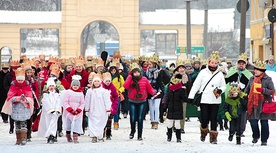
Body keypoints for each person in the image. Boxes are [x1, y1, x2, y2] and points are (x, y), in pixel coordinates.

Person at [188, 51, 226, 144]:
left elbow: (224, 86)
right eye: (212, 62)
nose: (214, 64)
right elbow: (196, 85)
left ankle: (213, 137)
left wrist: (221, 90)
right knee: (204, 118)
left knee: (214, 118)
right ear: (209, 63)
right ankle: (204, 132)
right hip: (204, 99)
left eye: (216, 63)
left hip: (215, 99)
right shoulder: (202, 72)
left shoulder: (220, 74)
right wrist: (191, 96)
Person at [244, 60, 276, 146]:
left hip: (264, 104)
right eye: (255, 69)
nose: (255, 71)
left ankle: (264, 140)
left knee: (264, 123)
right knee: (253, 122)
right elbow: (247, 89)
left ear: (262, 71)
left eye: (257, 70)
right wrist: (244, 94)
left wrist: (263, 90)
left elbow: (272, 91)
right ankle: (255, 136)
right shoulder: (251, 79)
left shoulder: (268, 79)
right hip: (253, 104)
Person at [123, 63, 157, 140]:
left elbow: (149, 88)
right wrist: (129, 77)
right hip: (132, 101)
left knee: (140, 118)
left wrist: (154, 93)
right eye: (135, 72)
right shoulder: (130, 79)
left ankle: (139, 135)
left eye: (138, 72)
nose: (136, 74)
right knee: (132, 118)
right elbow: (125, 86)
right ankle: (132, 131)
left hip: (142, 101)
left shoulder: (144, 79)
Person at [1, 68, 34, 145]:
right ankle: (18, 139)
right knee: (17, 124)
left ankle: (23, 138)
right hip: (16, 107)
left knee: (23, 123)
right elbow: (10, 97)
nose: (20, 81)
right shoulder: (13, 86)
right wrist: (17, 98)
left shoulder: (27, 86)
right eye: (18, 80)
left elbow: (30, 96)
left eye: (21, 80)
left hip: (24, 108)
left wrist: (26, 99)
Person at [225, 53, 253, 136]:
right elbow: (226, 82)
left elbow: (250, 86)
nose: (241, 65)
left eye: (243, 64)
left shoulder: (249, 75)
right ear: (237, 64)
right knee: (232, 114)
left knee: (242, 114)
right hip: (232, 97)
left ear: (245, 64)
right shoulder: (232, 72)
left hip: (242, 98)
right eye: (239, 64)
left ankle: (240, 131)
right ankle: (232, 130)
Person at [85, 73, 111, 143]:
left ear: (100, 82)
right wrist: (86, 109)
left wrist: (108, 109)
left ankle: (100, 135)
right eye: (95, 81)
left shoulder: (104, 91)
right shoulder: (90, 91)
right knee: (92, 123)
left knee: (101, 123)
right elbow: (87, 100)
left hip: (101, 109)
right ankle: (93, 136)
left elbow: (107, 101)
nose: (96, 83)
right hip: (92, 109)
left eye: (98, 81)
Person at [163, 74, 188, 143]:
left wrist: (190, 100)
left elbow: (185, 98)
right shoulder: (170, 90)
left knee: (177, 124)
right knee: (169, 123)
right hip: (171, 108)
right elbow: (167, 99)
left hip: (178, 108)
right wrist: (165, 108)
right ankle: (169, 137)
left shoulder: (181, 90)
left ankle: (178, 138)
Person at [38, 78, 61, 144]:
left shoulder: (57, 95)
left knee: (53, 124)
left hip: (55, 112)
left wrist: (57, 109)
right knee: (48, 123)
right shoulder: (46, 95)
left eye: (52, 86)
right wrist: (50, 110)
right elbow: (45, 102)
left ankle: (52, 135)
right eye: (50, 86)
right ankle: (48, 135)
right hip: (48, 112)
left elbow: (58, 102)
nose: (51, 87)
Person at [63, 75, 85, 143]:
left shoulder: (81, 93)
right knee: (68, 123)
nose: (75, 86)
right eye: (74, 85)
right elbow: (65, 102)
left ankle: (75, 136)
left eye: (77, 85)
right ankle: (68, 135)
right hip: (69, 110)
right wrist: (70, 109)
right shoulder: (68, 92)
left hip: (77, 111)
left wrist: (79, 110)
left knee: (77, 124)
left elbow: (82, 103)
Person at [145, 54, 163, 129]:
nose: (149, 65)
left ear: (154, 64)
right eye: (148, 64)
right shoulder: (146, 72)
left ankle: (156, 122)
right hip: (149, 91)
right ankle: (152, 121)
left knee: (156, 107)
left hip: (157, 91)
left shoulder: (159, 72)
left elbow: (162, 81)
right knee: (151, 107)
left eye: (150, 64)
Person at [3, 60, 21, 134]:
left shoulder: (20, 75)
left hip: (19, 94)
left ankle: (18, 125)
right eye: (14, 69)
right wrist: (11, 90)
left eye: (16, 69)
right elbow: (5, 85)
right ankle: (11, 127)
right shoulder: (8, 75)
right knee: (11, 112)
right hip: (11, 94)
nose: (15, 70)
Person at [102, 72, 119, 140]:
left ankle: (108, 133)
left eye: (109, 81)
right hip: (103, 106)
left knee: (109, 121)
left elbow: (116, 97)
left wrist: (114, 106)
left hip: (110, 106)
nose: (108, 82)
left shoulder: (112, 87)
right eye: (106, 81)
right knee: (103, 120)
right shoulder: (101, 87)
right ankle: (102, 132)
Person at [108, 62, 125, 130]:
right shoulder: (107, 77)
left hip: (116, 94)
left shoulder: (119, 77)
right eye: (111, 71)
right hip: (108, 94)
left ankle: (116, 122)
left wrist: (120, 90)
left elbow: (123, 85)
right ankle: (109, 122)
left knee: (116, 109)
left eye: (114, 70)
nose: (113, 72)